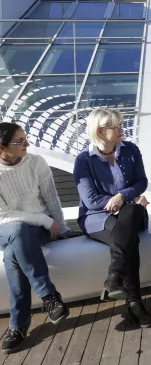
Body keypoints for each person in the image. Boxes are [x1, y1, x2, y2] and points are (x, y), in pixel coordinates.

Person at [73, 108, 151, 328]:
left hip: (130, 212)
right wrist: (125, 200)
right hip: (97, 217)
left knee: (131, 213)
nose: (121, 129)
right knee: (129, 240)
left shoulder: (131, 150)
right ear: (99, 131)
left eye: (120, 124)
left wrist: (121, 196)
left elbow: (141, 182)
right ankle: (135, 302)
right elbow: (90, 200)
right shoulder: (84, 160)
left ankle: (114, 275)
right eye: (115, 126)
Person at [0, 123, 70, 354]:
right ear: (1, 148)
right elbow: (4, 216)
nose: (27, 144)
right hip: (7, 227)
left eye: (25, 138)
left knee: (13, 254)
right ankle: (48, 295)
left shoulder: (36, 162)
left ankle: (18, 326)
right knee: (17, 231)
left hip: (34, 230)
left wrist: (61, 227)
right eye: (19, 141)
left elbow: (51, 197)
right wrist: (43, 221)